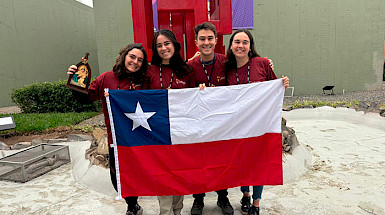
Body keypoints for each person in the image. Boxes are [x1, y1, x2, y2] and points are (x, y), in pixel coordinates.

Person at [67, 43, 148, 215]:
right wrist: (76, 82)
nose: (135, 62)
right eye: (132, 57)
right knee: (117, 176)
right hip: (116, 139)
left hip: (140, 137)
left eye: (140, 60)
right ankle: (132, 205)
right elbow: (86, 99)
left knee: (138, 174)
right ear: (124, 56)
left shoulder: (145, 80)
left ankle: (134, 203)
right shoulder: (106, 78)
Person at [225, 29, 289, 215]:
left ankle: (256, 202)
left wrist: (282, 84)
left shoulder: (261, 64)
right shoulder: (227, 68)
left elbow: (274, 89)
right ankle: (245, 194)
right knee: (242, 162)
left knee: (258, 163)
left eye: (245, 42)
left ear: (250, 46)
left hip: (260, 126)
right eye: (237, 42)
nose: (241, 45)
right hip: (237, 126)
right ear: (231, 45)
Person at [143, 29, 195, 215]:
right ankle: (165, 212)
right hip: (158, 132)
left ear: (174, 45)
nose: (163, 48)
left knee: (179, 173)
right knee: (163, 175)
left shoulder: (187, 70)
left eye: (167, 43)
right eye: (159, 45)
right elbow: (139, 97)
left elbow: (195, 99)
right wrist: (114, 95)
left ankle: (178, 211)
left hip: (181, 131)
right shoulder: (149, 70)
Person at [186, 22, 233, 215]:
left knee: (221, 160)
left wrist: (265, 62)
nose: (206, 42)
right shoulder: (189, 66)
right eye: (202, 39)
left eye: (210, 38)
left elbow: (247, 64)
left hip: (222, 123)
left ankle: (223, 196)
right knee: (198, 161)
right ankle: (198, 199)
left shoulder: (226, 61)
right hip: (198, 123)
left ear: (216, 40)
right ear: (196, 42)